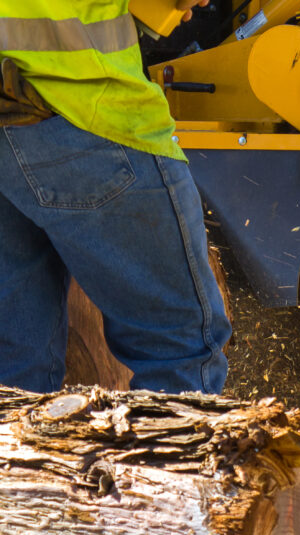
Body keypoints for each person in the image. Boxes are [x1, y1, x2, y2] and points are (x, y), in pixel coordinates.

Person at [0, 0, 231, 394]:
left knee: (15, 369)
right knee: (179, 352)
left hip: (11, 105)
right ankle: (173, 457)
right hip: (87, 106)